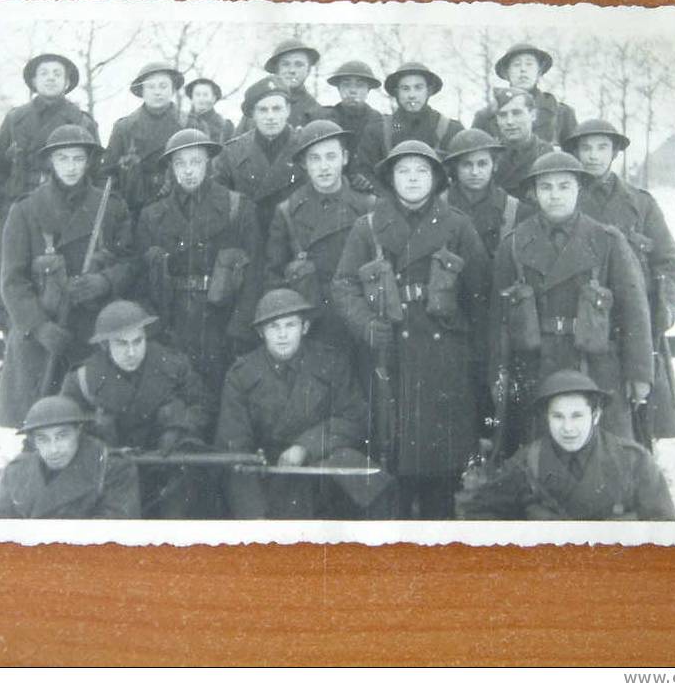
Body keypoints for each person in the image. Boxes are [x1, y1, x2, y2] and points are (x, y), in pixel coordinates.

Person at [332, 140, 490, 520]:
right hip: (391, 357)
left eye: (422, 171)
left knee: (443, 474)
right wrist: (366, 325)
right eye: (404, 171)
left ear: (436, 178)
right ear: (391, 178)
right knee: (392, 465)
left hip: (445, 362)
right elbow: (343, 285)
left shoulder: (458, 226)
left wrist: (471, 356)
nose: (413, 179)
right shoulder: (368, 226)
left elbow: (481, 297)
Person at [488, 152, 653, 454]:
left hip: (597, 365)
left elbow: (634, 312)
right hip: (536, 365)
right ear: (534, 193)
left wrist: (639, 373)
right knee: (538, 456)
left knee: (607, 455)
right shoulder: (512, 245)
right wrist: (498, 376)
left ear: (579, 189)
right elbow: (497, 322)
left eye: (564, 186)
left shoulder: (607, 241)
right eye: (546, 187)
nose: (555, 195)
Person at [0, 125, 135, 429]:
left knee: (92, 424)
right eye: (63, 159)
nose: (71, 167)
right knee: (40, 428)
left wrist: (105, 281)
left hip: (92, 332)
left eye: (78, 159)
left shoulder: (110, 207)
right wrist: (39, 327)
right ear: (51, 163)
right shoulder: (26, 210)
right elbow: (11, 282)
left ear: (88, 162)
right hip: (42, 337)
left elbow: (130, 262)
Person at [215, 289, 396, 519]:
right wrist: (254, 518)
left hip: (324, 476)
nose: (282, 335)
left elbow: (355, 419)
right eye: (273, 327)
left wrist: (305, 447)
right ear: (261, 333)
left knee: (370, 490)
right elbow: (234, 448)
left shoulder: (331, 363)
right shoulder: (241, 375)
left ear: (305, 328)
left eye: (290, 325)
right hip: (270, 478)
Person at [565, 119, 675, 443]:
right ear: (575, 152)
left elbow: (671, 263)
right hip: (586, 326)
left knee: (639, 421)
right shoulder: (566, 200)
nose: (593, 155)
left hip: (635, 327)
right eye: (585, 147)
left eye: (601, 147)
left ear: (615, 152)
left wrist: (664, 310)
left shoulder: (641, 204)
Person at [61, 301, 217, 518]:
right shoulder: (82, 379)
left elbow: (204, 405)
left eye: (138, 341)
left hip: (166, 471)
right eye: (122, 344)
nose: (132, 352)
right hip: (109, 475)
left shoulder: (173, 365)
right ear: (105, 345)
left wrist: (178, 428)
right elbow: (63, 429)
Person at [455, 370, 675, 521]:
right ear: (547, 418)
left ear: (596, 415)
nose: (568, 428)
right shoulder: (527, 463)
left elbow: (664, 529)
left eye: (577, 416)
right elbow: (479, 511)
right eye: (558, 417)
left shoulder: (634, 461)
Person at [137, 128, 262, 394]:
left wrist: (240, 328)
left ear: (209, 161)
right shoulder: (152, 214)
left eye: (195, 161)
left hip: (222, 320)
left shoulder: (237, 207)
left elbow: (254, 276)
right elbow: (142, 281)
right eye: (180, 163)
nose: (188, 170)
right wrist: (156, 329)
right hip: (174, 322)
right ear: (171, 167)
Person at [265, 120, 375, 355]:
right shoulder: (287, 211)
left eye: (331, 156)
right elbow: (274, 275)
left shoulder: (368, 205)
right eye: (315, 159)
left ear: (344, 158)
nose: (324, 166)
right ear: (304, 164)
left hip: (360, 320)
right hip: (314, 323)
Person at [0, 53, 99, 226]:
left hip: (67, 208)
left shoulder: (82, 122)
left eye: (57, 74)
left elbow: (95, 171)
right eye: (44, 73)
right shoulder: (14, 119)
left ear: (67, 82)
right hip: (17, 205)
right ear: (34, 81)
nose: (50, 78)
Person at [0, 395, 141, 520]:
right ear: (33, 441)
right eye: (43, 439)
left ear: (78, 432)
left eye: (62, 436)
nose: (53, 449)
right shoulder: (15, 472)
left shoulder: (112, 469)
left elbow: (115, 532)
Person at [213, 75, 305, 238]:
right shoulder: (232, 152)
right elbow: (218, 202)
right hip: (248, 243)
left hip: (293, 240)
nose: (270, 116)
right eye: (263, 110)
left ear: (288, 110)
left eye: (277, 109)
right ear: (252, 114)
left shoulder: (305, 147)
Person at [100, 60, 187, 218]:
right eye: (151, 86)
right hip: (134, 212)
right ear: (141, 91)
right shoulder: (124, 128)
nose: (157, 92)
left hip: (178, 211)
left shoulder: (189, 125)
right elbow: (108, 176)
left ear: (173, 89)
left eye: (163, 86)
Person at [355, 61, 463, 187]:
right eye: (405, 89)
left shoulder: (451, 129)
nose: (412, 95)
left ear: (429, 91)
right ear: (397, 93)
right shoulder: (377, 130)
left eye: (418, 88)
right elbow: (364, 172)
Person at [441, 128, 533, 258]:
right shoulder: (438, 205)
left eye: (482, 164)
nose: (475, 172)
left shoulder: (514, 210)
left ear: (494, 165)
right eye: (467, 164)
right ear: (455, 168)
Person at [472, 42, 578, 146]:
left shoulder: (561, 113)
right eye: (516, 65)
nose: (523, 70)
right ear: (507, 73)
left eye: (529, 64)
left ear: (539, 71)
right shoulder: (486, 116)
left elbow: (574, 156)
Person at [235, 38, 325, 134]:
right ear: (276, 69)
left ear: (308, 70)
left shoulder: (316, 111)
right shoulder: (257, 104)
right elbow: (237, 144)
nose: (292, 70)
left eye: (299, 65)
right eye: (286, 64)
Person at [321, 60, 384, 193]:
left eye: (360, 85)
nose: (352, 90)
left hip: (371, 193)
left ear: (368, 89)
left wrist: (371, 180)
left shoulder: (380, 122)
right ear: (338, 88)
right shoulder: (326, 120)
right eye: (346, 84)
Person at [489, 86, 554, 195]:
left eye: (516, 113)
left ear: (533, 115)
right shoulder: (491, 155)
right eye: (503, 115)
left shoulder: (547, 154)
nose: (509, 122)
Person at [183, 77, 235, 144]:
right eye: (197, 95)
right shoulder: (183, 122)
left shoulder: (225, 126)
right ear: (191, 98)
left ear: (213, 98)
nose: (201, 99)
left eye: (205, 95)